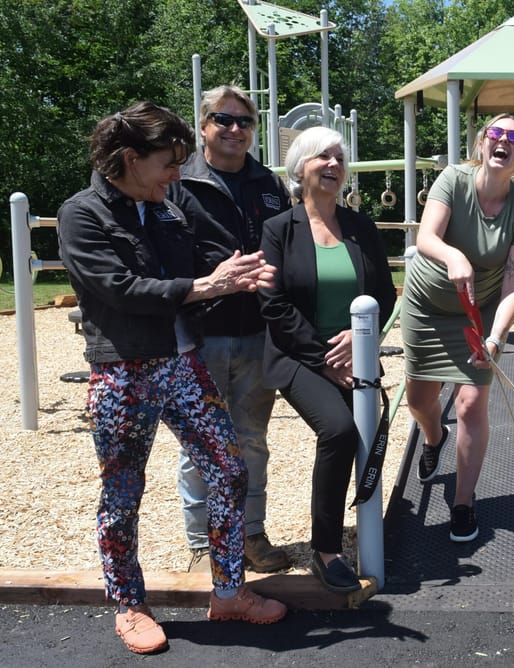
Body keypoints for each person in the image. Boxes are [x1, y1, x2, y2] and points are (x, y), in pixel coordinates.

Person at [56, 102, 287, 655]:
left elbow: (196, 270)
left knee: (229, 471)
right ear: (130, 159)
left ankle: (228, 591)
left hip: (184, 364)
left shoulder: (165, 210)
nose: (176, 175)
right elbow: (119, 288)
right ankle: (129, 604)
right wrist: (206, 287)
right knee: (122, 494)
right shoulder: (82, 214)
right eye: (167, 163)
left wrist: (236, 277)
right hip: (123, 371)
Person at [257, 126, 396, 592]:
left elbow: (383, 294)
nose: (334, 164)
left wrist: (360, 344)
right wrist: (327, 355)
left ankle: (373, 536)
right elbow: (273, 304)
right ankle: (327, 549)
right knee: (338, 431)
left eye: (339, 157)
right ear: (301, 168)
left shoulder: (361, 227)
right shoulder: (279, 230)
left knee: (369, 434)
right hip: (298, 355)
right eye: (323, 157)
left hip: (354, 352)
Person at [168, 85, 292, 574]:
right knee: (200, 441)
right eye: (224, 119)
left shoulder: (267, 183)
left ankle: (250, 535)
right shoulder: (180, 183)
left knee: (251, 439)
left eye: (244, 121)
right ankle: (203, 543)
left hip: (258, 332)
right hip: (202, 333)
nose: (235, 129)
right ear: (203, 126)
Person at [400, 114, 514, 543]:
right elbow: (427, 237)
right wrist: (453, 256)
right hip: (426, 307)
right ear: (481, 144)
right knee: (420, 400)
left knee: (472, 404)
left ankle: (463, 502)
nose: (503, 142)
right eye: (496, 133)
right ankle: (434, 438)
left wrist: (494, 340)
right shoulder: (453, 181)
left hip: (478, 315)